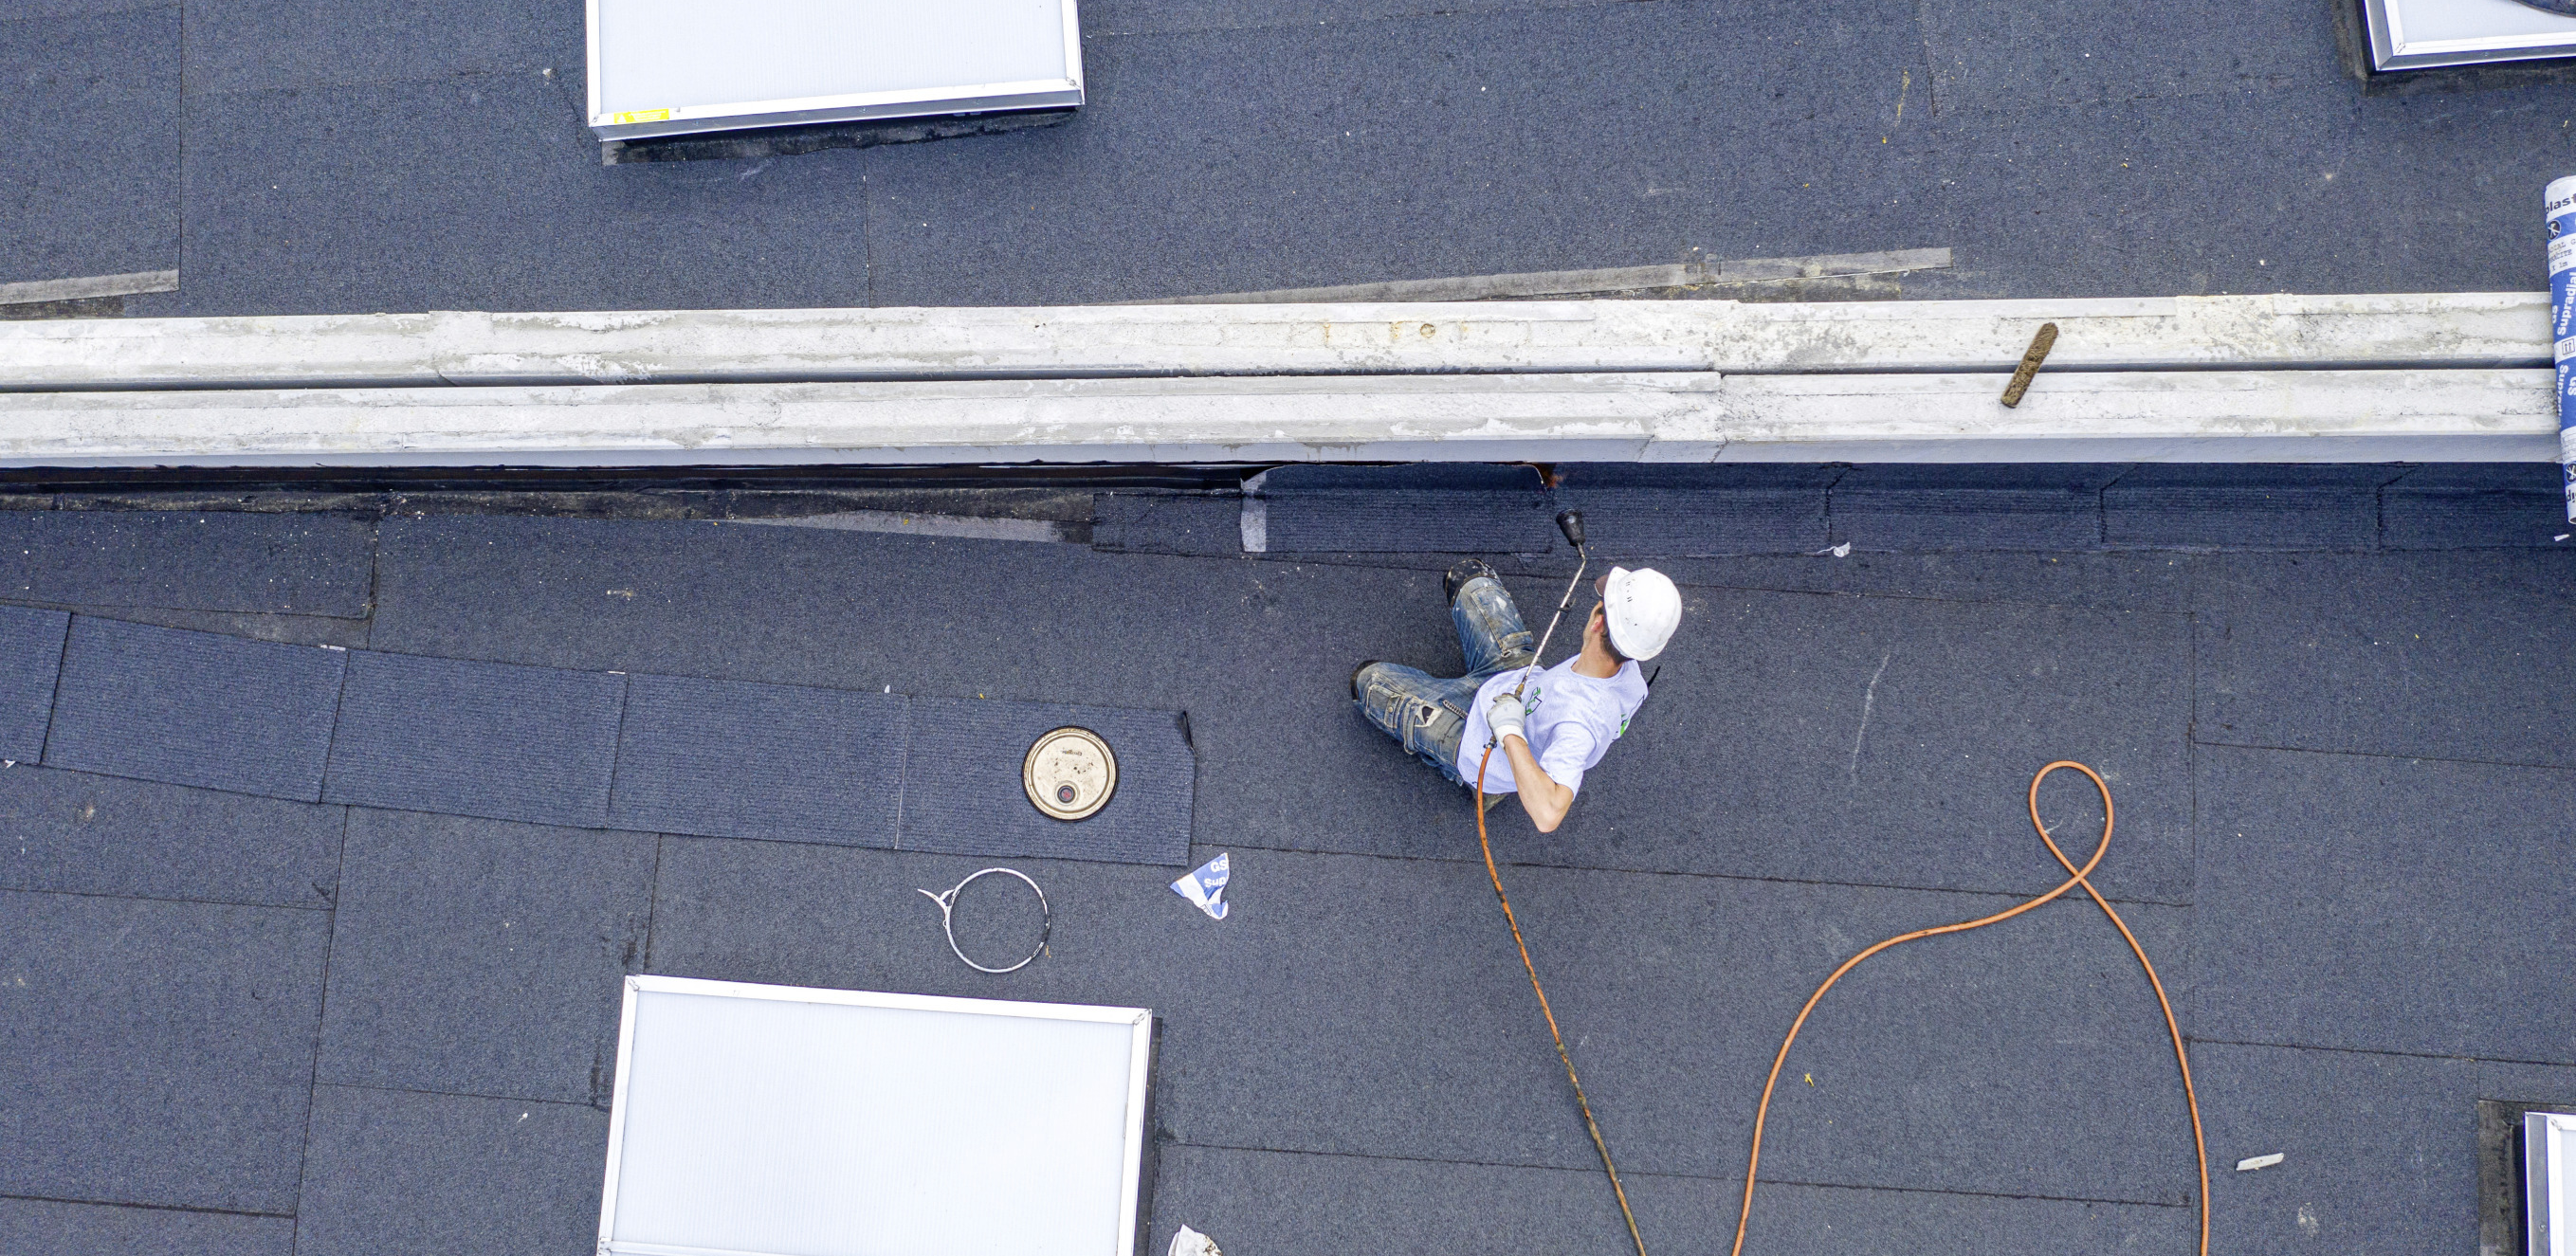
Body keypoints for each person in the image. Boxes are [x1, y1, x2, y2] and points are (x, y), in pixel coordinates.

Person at [1352, 558, 1681, 832]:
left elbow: (1549, 814)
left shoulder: (1580, 726)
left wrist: (1510, 733)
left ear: (1598, 623)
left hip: (1481, 742)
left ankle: (1478, 782)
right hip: (1517, 677)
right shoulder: (1631, 680)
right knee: (1468, 576)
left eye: (1600, 604)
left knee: (1366, 682)